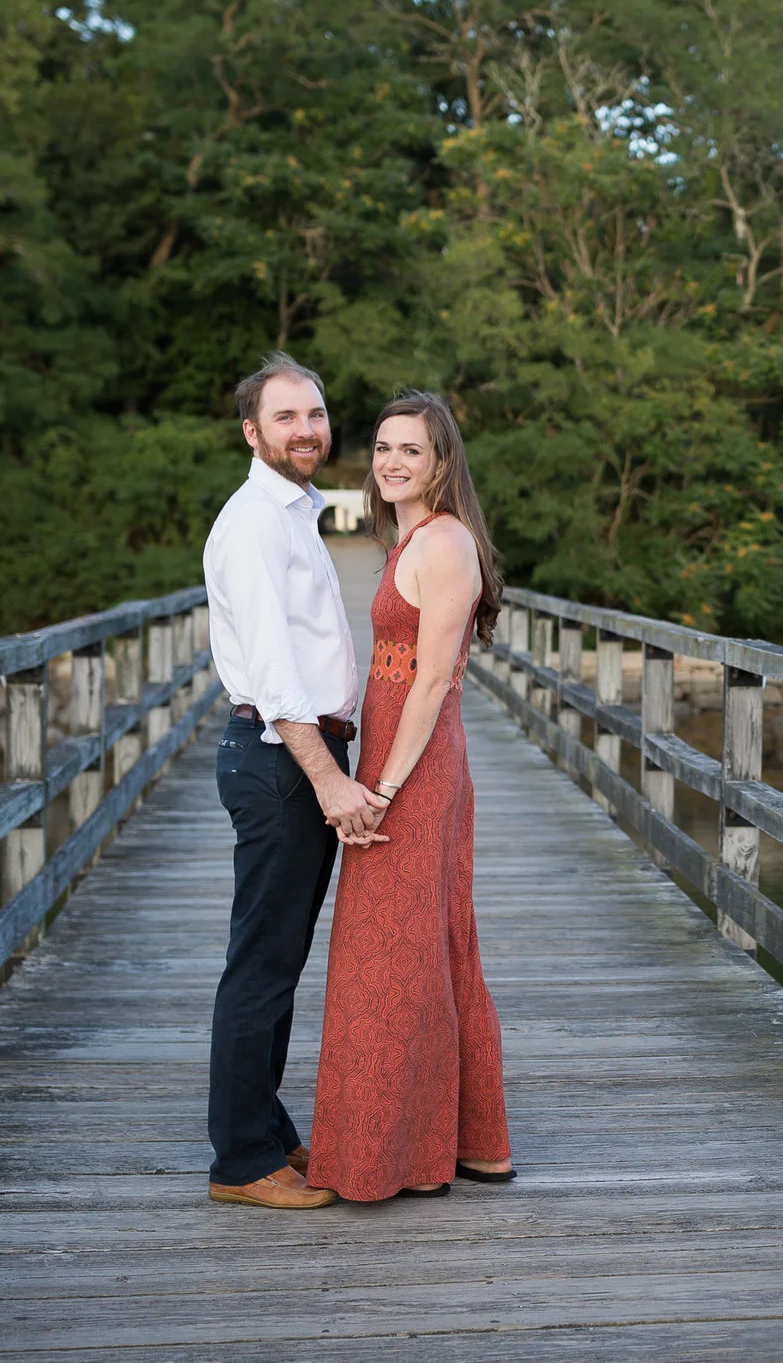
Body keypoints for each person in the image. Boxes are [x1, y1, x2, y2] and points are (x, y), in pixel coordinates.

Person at [308, 390, 513, 1201]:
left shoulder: (446, 543)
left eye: (411, 450)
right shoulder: (413, 537)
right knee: (422, 943)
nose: (391, 461)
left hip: (414, 774)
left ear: (441, 462)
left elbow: (432, 681)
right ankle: (466, 1140)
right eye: (383, 447)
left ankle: (396, 1153)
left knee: (390, 950)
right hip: (403, 762)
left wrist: (382, 787)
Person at [201, 353, 378, 1209]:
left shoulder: (293, 513)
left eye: (314, 413)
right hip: (280, 760)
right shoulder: (253, 524)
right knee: (261, 966)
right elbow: (274, 679)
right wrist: (329, 782)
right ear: (252, 431)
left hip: (294, 756)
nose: (306, 429)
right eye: (285, 417)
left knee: (280, 960)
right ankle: (239, 1161)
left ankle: (265, 1129)